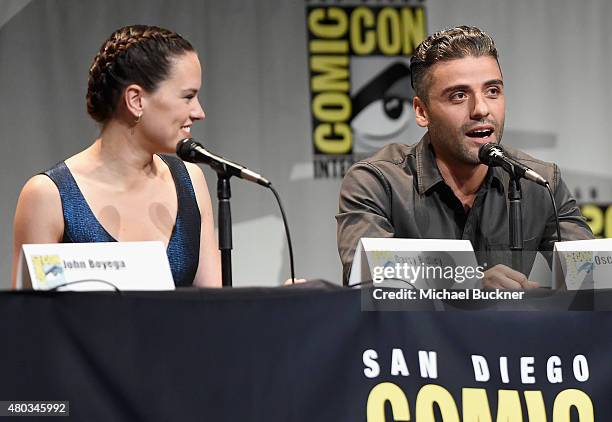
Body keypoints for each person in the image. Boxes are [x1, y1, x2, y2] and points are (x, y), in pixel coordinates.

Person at [336, 26, 593, 288]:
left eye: (492, 91)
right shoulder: (378, 181)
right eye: (459, 96)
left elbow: (591, 278)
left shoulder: (539, 181)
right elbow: (369, 281)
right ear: (422, 111)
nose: (481, 109)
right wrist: (470, 285)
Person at [12, 25, 221, 288]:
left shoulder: (191, 181)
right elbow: (30, 320)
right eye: (188, 96)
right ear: (136, 100)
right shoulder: (48, 196)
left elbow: (215, 310)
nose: (199, 112)